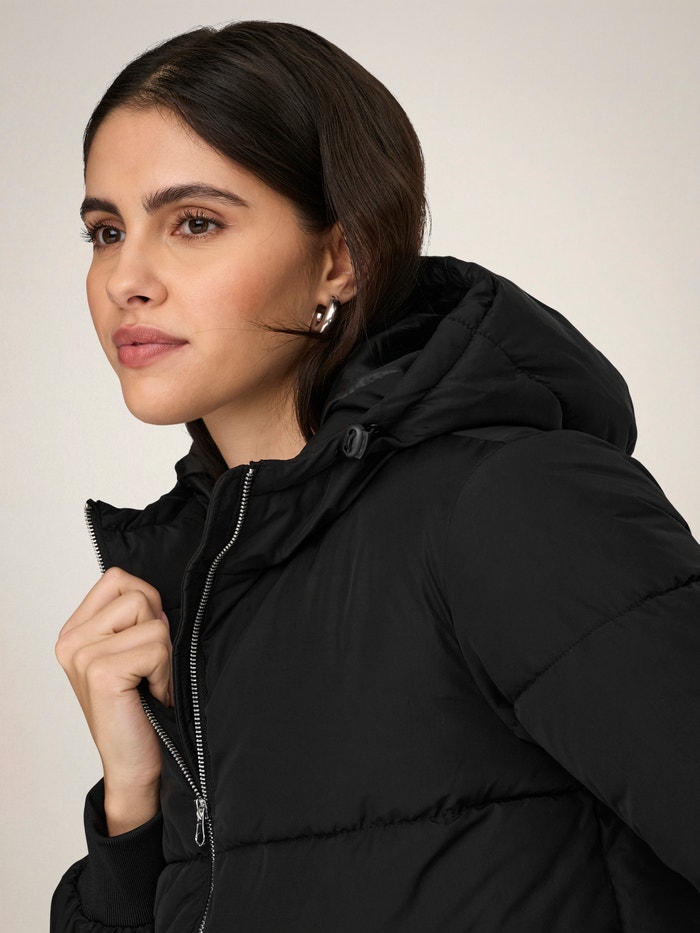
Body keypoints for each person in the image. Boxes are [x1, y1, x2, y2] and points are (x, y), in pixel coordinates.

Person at [51, 19, 700, 933]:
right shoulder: (196, 589)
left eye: (194, 222)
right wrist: (132, 801)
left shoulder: (508, 507)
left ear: (340, 259)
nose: (127, 277)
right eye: (106, 230)